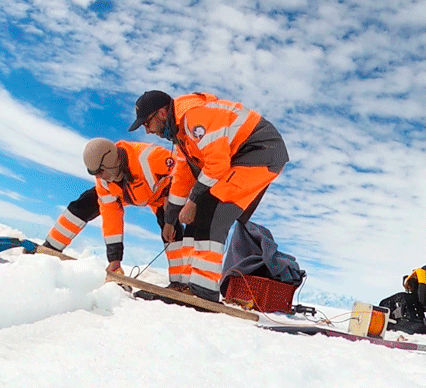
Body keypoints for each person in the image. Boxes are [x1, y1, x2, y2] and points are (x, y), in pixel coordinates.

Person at [128, 90, 288, 302]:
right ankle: (186, 286)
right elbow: (182, 178)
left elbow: (217, 164)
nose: (147, 131)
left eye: (147, 124)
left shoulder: (194, 117)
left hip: (261, 151)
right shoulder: (182, 138)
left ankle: (203, 292)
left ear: (161, 113)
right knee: (199, 216)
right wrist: (170, 220)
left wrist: (193, 201)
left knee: (213, 215)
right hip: (241, 157)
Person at [44, 138, 187, 281]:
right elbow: (111, 218)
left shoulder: (150, 157)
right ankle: (50, 247)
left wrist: (171, 196)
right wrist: (114, 259)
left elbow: (183, 170)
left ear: (111, 163)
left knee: (172, 231)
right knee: (83, 204)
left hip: (162, 196)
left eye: (100, 171)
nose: (98, 177)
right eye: (93, 173)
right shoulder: (104, 183)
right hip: (128, 194)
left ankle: (180, 282)